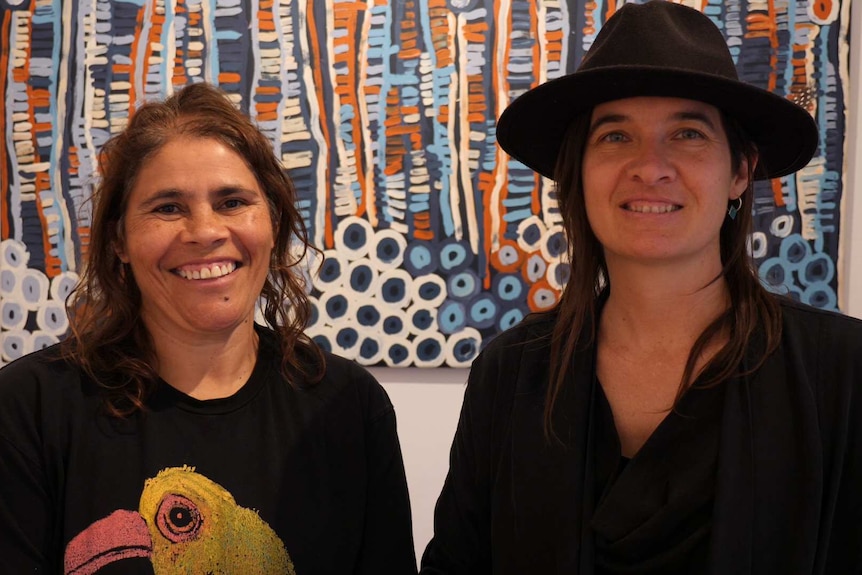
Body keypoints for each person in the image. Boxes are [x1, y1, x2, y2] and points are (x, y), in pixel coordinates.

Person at [421, 2, 862, 574]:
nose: (650, 166)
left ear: (739, 172)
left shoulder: (842, 373)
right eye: (615, 136)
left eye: (687, 132)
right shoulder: (511, 374)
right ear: (578, 170)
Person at [0, 82, 417, 574]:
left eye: (233, 202)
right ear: (120, 240)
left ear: (273, 221)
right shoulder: (29, 408)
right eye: (168, 207)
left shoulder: (348, 405)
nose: (205, 231)